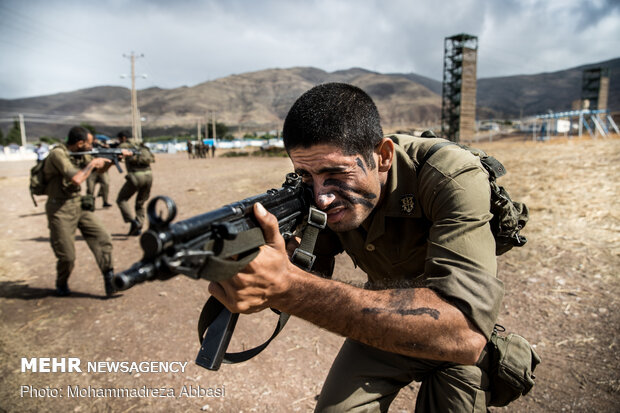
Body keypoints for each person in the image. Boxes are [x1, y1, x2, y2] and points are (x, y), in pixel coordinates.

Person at [207, 83, 504, 412]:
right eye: (306, 175)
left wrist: (288, 286)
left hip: (448, 326)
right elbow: (314, 265)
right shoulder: (314, 192)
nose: (322, 197)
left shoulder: (449, 175)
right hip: (381, 315)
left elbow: (464, 332)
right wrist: (281, 263)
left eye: (336, 172)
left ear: (383, 156)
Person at [43, 126, 124, 297]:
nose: (92, 145)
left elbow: (99, 170)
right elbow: (77, 178)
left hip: (78, 204)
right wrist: (93, 163)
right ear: (80, 143)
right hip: (59, 209)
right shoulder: (58, 154)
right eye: (89, 142)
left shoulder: (83, 152)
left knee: (103, 238)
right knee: (67, 256)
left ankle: (110, 282)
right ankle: (61, 282)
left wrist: (110, 161)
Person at [115, 130, 155, 236]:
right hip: (149, 175)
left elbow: (117, 155)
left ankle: (133, 222)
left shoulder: (124, 145)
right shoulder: (139, 144)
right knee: (140, 203)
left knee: (121, 199)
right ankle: (138, 226)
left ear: (123, 138)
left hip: (136, 176)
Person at [86, 137, 112, 208]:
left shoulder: (101, 146)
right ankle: (90, 203)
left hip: (102, 170)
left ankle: (105, 202)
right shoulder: (87, 148)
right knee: (90, 188)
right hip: (92, 171)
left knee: (105, 184)